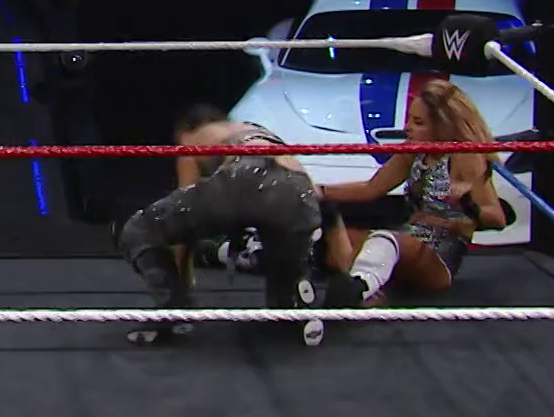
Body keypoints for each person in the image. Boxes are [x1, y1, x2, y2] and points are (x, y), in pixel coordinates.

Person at [118, 105, 326, 346]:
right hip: (301, 192)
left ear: (186, 131)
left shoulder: (194, 138)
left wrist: (183, 282)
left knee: (141, 229)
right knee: (283, 273)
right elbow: (316, 192)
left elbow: (185, 222)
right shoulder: (257, 131)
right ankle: (293, 300)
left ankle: (171, 308)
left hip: (248, 174)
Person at [319, 79, 514, 307]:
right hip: (406, 238)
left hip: (437, 256)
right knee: (339, 239)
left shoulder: (464, 156)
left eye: (418, 122)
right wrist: (318, 190)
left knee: (386, 241)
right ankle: (368, 292)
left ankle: (356, 290)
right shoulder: (413, 150)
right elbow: (371, 188)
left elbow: (497, 219)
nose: (407, 127)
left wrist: (467, 203)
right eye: (409, 119)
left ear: (441, 127)